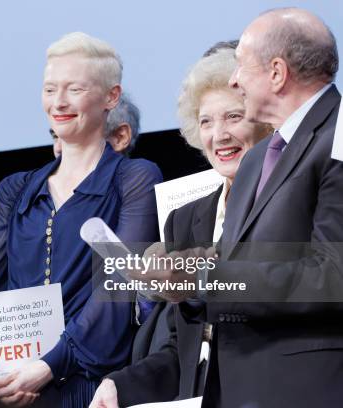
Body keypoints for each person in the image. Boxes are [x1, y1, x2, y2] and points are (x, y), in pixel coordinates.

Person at [131, 8, 343, 407]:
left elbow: (331, 276)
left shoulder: (339, 134)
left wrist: (205, 278)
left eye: (242, 67)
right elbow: (234, 262)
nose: (233, 79)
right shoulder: (258, 159)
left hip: (307, 390)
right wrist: (183, 273)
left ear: (277, 73)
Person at [0, 32, 162, 407]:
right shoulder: (14, 191)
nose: (58, 102)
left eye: (74, 89)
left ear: (111, 97)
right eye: (49, 89)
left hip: (89, 387)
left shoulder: (134, 178)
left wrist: (47, 365)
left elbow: (118, 286)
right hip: (15, 388)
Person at [90, 42, 272, 407]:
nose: (219, 135)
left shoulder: (285, 205)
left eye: (233, 117)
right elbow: (181, 348)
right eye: (206, 121)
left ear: (265, 121)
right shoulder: (185, 219)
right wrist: (118, 385)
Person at [50, 92, 141, 158]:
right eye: (55, 136)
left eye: (76, 136)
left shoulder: (143, 178)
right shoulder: (40, 181)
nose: (58, 149)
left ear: (120, 138)